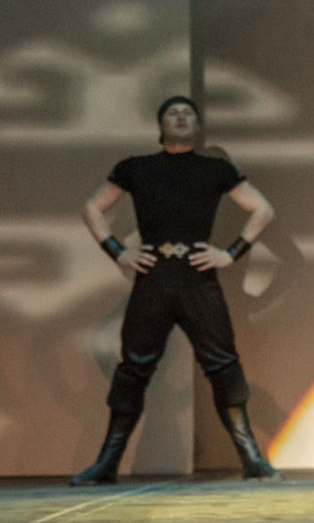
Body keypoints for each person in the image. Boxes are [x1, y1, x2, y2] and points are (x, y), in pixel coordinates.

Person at [70, 96, 281, 485]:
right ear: (161, 124)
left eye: (188, 114)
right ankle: (107, 464)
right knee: (133, 370)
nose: (181, 118)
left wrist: (230, 254)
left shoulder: (216, 169)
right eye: (173, 113)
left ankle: (253, 460)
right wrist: (118, 252)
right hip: (153, 279)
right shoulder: (136, 168)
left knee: (224, 366)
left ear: (197, 126)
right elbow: (92, 209)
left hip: (198, 280)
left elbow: (262, 209)